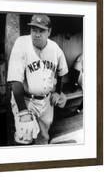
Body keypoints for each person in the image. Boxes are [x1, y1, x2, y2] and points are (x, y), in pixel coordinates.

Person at [7, 14, 68, 145]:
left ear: (49, 31)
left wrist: (58, 91)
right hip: (25, 100)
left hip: (46, 102)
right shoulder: (21, 44)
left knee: (43, 138)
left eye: (41, 30)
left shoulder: (55, 48)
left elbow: (61, 71)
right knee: (25, 137)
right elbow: (15, 80)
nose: (37, 34)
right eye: (34, 30)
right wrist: (23, 112)